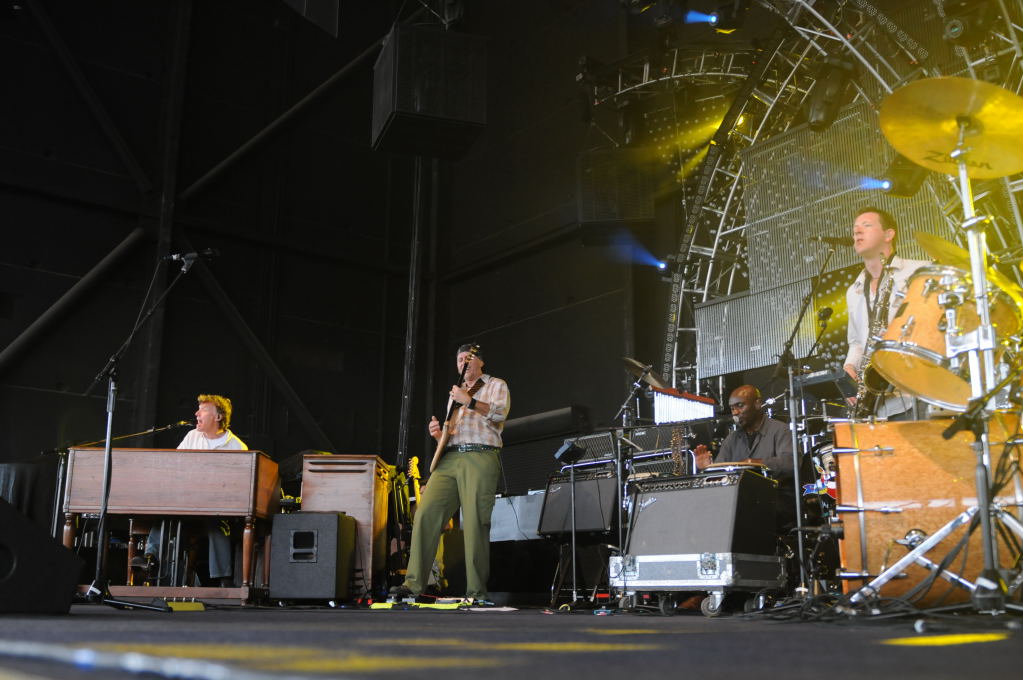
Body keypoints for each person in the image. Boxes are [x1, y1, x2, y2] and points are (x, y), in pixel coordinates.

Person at [391, 344, 510, 605]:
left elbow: (500, 413)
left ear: (480, 362)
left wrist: (469, 401)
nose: (462, 363)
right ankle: (413, 584)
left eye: (467, 358)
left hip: (481, 454)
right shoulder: (455, 393)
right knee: (425, 513)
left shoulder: (495, 384)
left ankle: (476, 592)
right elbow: (452, 433)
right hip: (450, 457)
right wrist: (439, 435)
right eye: (459, 360)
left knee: (475, 521)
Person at [132, 394, 246, 587]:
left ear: (218, 417)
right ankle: (150, 559)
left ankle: (224, 580)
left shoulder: (237, 446)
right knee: (165, 514)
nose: (196, 413)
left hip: (217, 507)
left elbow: (239, 486)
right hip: (187, 503)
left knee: (219, 525)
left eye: (203, 410)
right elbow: (176, 466)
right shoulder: (192, 436)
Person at [842, 207, 929, 420]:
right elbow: (856, 342)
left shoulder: (920, 272)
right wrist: (849, 366)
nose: (857, 231)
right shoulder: (854, 290)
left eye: (866, 225)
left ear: (889, 234)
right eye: (855, 228)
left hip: (919, 393)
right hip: (880, 407)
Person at [693, 385, 797, 528]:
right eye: (732, 408)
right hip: (740, 503)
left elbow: (791, 463)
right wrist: (708, 469)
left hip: (775, 500)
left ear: (757, 404)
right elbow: (720, 479)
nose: (735, 412)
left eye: (740, 406)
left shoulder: (780, 430)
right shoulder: (731, 439)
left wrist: (755, 464)